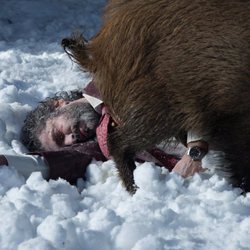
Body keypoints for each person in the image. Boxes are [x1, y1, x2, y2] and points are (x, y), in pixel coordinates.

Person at [0, 81, 208, 184]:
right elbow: (57, 163)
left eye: (58, 134)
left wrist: (195, 150)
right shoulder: (102, 143)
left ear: (59, 105)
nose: (71, 139)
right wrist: (7, 163)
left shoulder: (112, 77)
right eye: (66, 143)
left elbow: (189, 86)